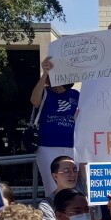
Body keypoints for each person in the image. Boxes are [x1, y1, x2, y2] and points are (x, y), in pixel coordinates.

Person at [30, 56, 80, 196]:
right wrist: (45, 73)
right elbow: (34, 100)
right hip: (48, 146)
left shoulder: (75, 94)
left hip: (72, 146)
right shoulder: (45, 92)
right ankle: (54, 214)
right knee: (52, 187)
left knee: (71, 185)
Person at [38, 155, 78, 220]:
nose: (72, 174)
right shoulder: (46, 206)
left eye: (75, 170)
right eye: (67, 171)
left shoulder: (84, 194)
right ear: (55, 176)